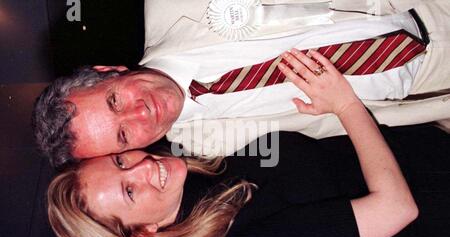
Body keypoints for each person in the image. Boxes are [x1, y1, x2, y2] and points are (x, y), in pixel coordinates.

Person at [46, 51, 450, 237]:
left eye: (120, 160)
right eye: (129, 192)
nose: (142, 167)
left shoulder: (202, 172)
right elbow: (398, 208)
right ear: (141, 234)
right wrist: (345, 105)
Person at [32, 0, 450, 168]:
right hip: (425, 92)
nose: (140, 113)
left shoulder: (174, 6)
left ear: (108, 71)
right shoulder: (205, 145)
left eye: (114, 101)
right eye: (123, 135)